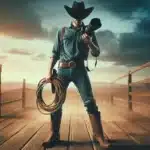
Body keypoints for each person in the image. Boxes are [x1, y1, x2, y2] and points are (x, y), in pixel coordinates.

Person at [43, 1, 110, 148]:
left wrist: (90, 42)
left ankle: (99, 135)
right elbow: (54, 53)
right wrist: (49, 72)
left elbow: (97, 52)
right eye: (76, 16)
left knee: (89, 101)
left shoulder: (90, 31)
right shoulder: (62, 32)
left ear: (83, 16)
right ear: (72, 16)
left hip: (80, 70)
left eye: (81, 16)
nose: (79, 18)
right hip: (62, 71)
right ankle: (54, 135)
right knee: (57, 103)